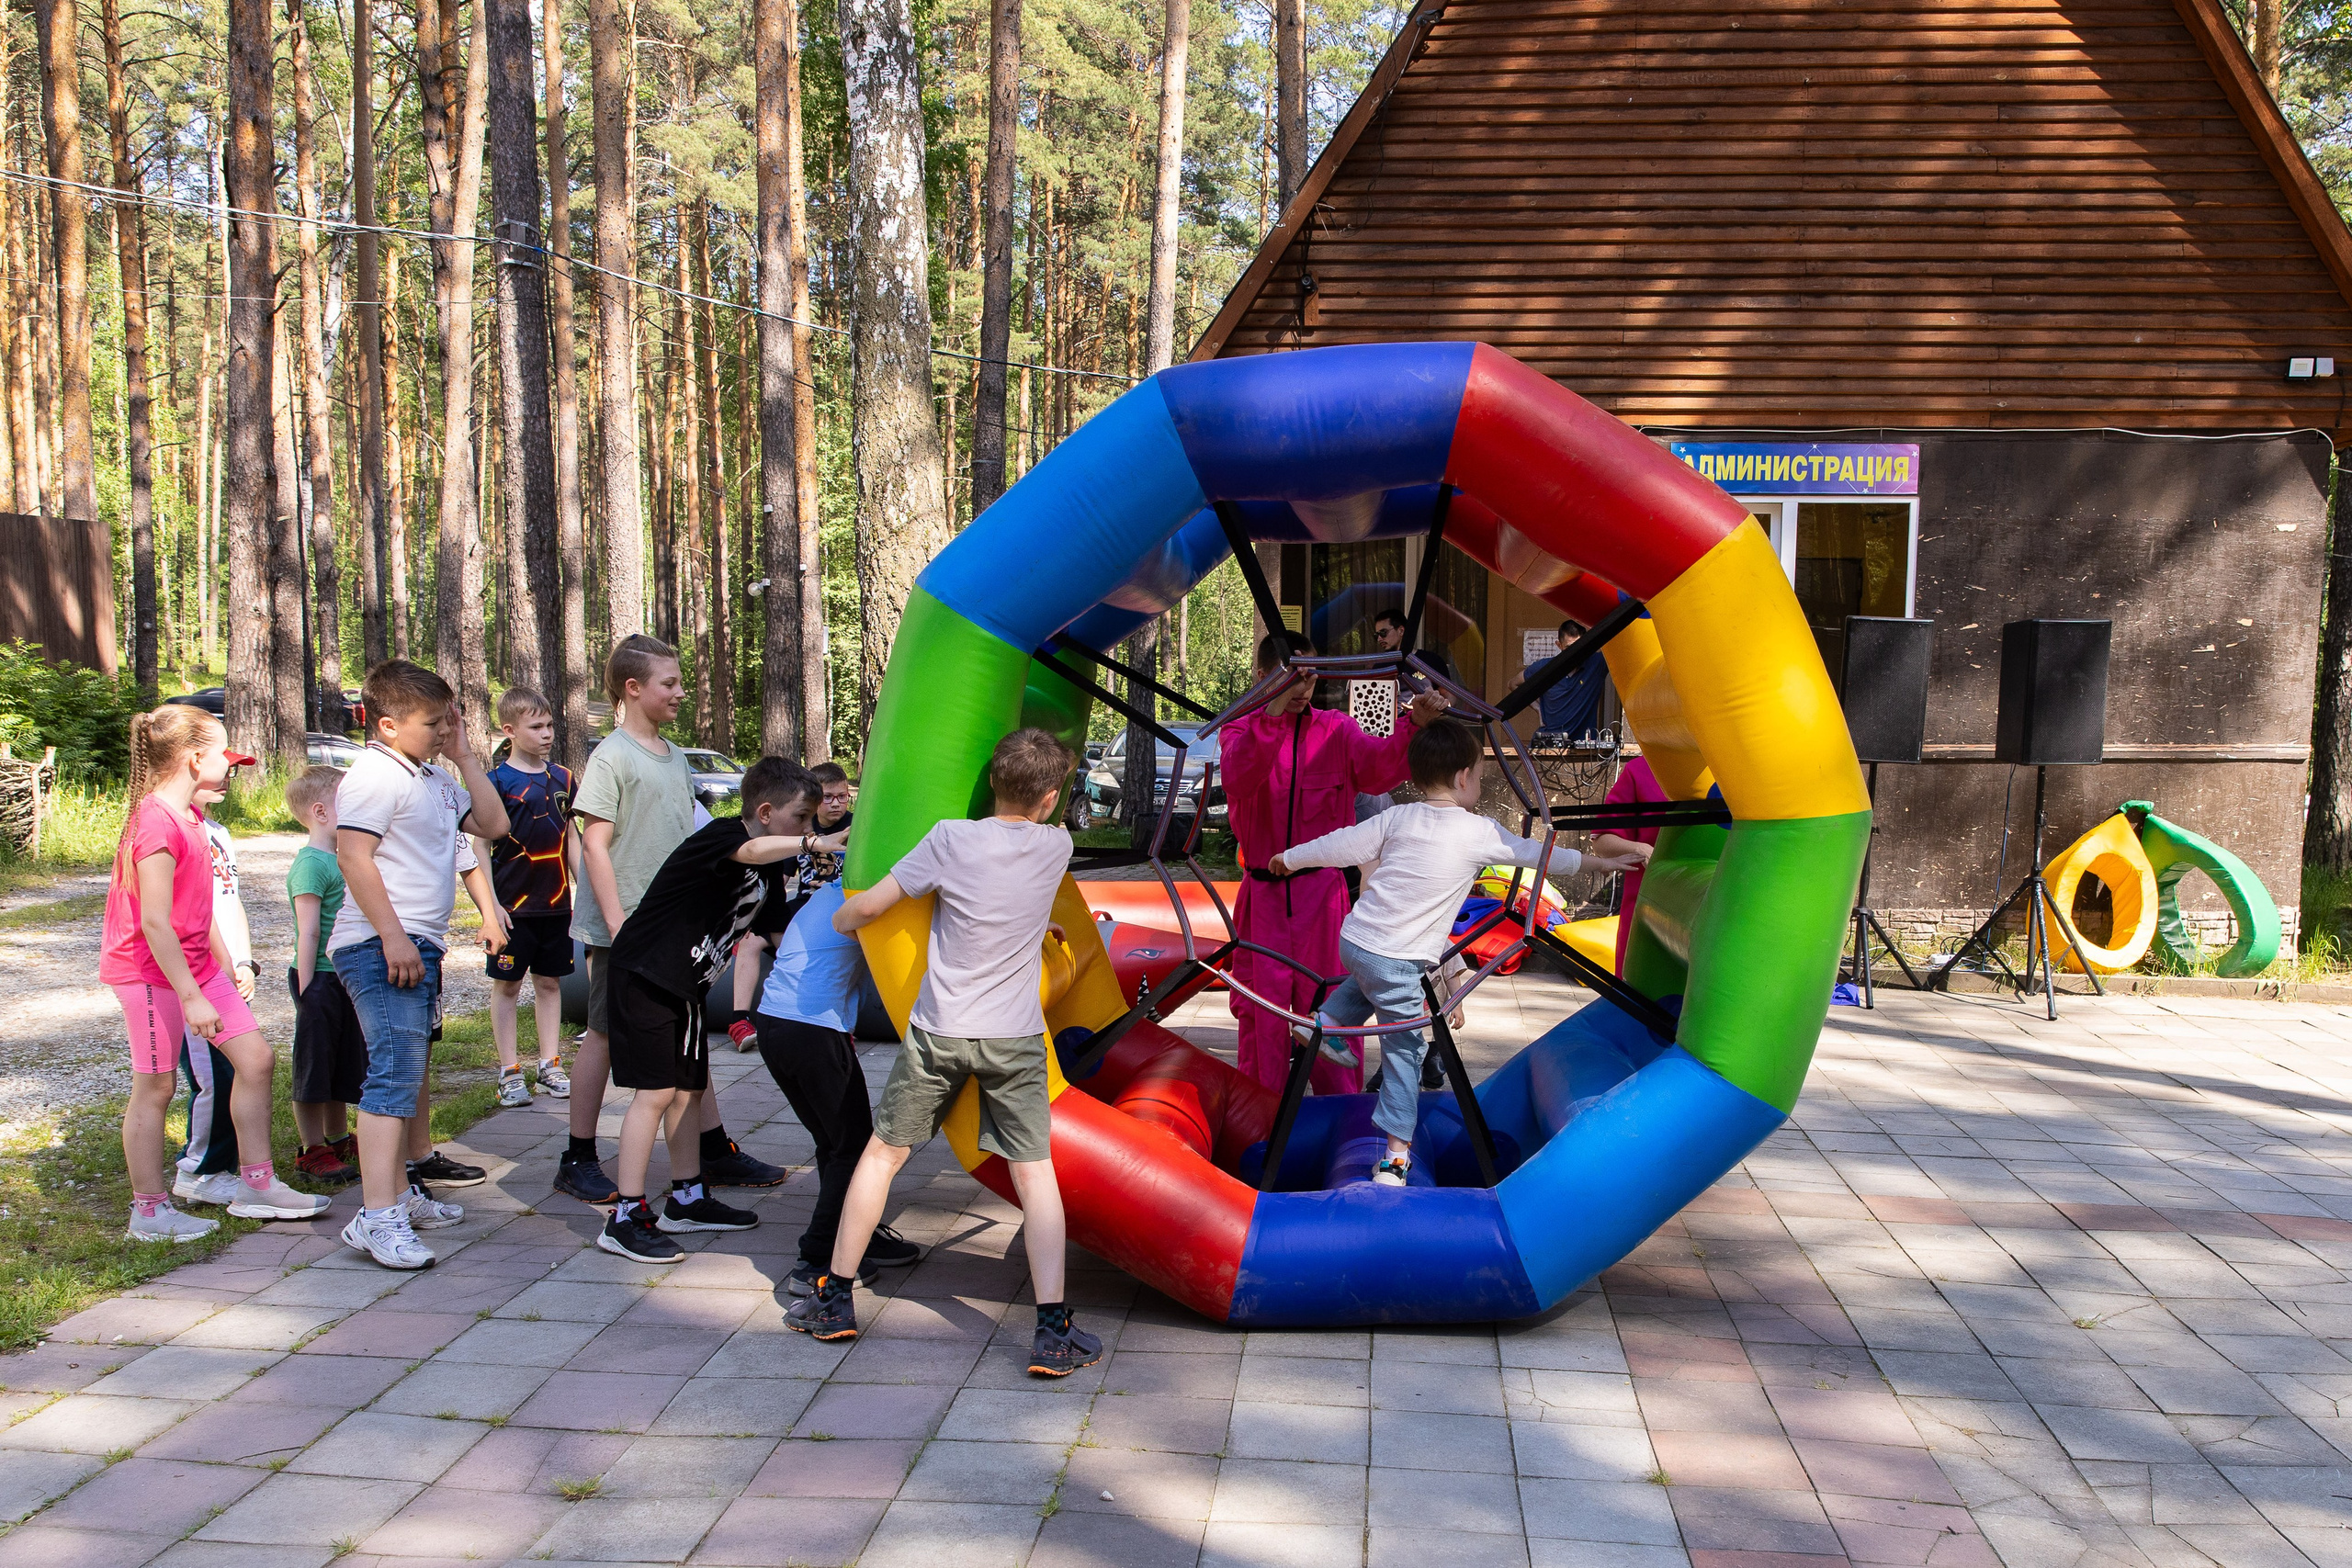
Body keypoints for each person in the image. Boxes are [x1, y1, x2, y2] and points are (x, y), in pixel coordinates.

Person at [790, 729, 1099, 1379]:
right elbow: (1011, 899)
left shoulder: (950, 838)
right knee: (1035, 1173)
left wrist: (844, 921)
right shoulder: (1057, 844)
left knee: (883, 1155)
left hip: (940, 1030)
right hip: (1013, 1037)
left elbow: (875, 903)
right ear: (1049, 798)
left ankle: (836, 1297)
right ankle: (1050, 1330)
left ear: (992, 782)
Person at [1272, 719, 1649, 1184]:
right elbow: (1543, 854)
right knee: (1406, 1048)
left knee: (1372, 975)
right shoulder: (1479, 832)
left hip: (1355, 942)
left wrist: (1289, 858)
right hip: (1394, 959)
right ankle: (1394, 1155)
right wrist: (1603, 861)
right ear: (1463, 778)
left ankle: (1326, 1022)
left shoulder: (1395, 817)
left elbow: (1339, 845)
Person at [560, 635, 786, 1202]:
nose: (681, 693)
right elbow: (594, 845)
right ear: (633, 689)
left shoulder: (675, 757)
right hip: (630, 933)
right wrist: (618, 924)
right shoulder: (611, 757)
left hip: (670, 931)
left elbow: (691, 842)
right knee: (606, 1035)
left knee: (687, 1043)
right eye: (670, 684)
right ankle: (578, 1155)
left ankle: (710, 1151)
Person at [596, 758, 848, 1264]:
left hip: (685, 985)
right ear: (764, 810)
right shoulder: (722, 835)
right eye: (800, 818)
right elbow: (752, 848)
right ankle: (625, 1216)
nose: (807, 827)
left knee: (689, 1091)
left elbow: (777, 931)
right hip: (645, 975)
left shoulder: (771, 868)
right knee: (657, 1093)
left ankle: (686, 1199)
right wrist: (814, 844)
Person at [101, 705, 327, 1241]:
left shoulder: (193, 817)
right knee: (155, 1087)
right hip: (149, 972)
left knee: (256, 1059)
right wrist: (192, 996)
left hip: (195, 964)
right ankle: (149, 1211)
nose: (231, 762)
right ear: (193, 757)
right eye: (224, 751)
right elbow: (155, 922)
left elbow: (197, 909)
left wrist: (223, 968)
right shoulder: (154, 820)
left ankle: (256, 1183)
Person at [332, 660, 512, 1269]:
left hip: (418, 942)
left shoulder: (431, 776)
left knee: (406, 1072)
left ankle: (400, 1195)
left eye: (447, 719)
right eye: (432, 721)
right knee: (390, 1076)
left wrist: (465, 756)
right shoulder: (374, 775)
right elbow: (355, 857)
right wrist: (392, 937)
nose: (443, 729)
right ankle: (376, 1216)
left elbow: (493, 824)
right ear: (387, 725)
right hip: (382, 943)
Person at [1222, 631, 1449, 1097]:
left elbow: (1382, 767)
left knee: (1333, 1021)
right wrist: (1271, 715)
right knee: (1261, 1021)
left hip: (1321, 901)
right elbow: (1240, 777)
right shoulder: (1239, 728)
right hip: (1261, 900)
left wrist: (1415, 726)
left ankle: (1342, 1128)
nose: (1305, 686)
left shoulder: (1337, 730)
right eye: (1294, 676)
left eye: (1312, 675)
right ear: (1263, 676)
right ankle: (1257, 1134)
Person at [748, 880, 921, 1295]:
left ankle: (856, 1233)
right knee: (854, 1147)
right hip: (810, 1028)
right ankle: (816, 1261)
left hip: (776, 1021)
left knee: (834, 1142)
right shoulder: (863, 895)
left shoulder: (839, 887)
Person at [169, 775, 266, 1206]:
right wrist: (217, 968)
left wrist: (243, 962)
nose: (228, 776)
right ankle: (200, 1171)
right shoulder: (174, 828)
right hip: (197, 974)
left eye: (234, 768)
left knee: (244, 1069)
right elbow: (183, 915)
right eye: (219, 766)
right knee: (215, 1075)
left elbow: (229, 901)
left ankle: (232, 1166)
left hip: (226, 971)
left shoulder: (219, 833)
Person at [482, 687, 579, 1107]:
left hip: (556, 905)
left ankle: (550, 1064)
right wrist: (490, 908)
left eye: (550, 725)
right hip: (511, 909)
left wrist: (587, 890)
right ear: (509, 731)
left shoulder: (564, 778)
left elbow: (572, 837)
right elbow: (479, 849)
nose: (546, 734)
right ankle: (508, 1071)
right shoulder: (495, 782)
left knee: (550, 983)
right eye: (536, 727)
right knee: (506, 986)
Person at [724, 761, 854, 1054]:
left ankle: (831, 1023)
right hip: (803, 906)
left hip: (842, 906)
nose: (836, 804)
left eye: (842, 796)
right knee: (749, 942)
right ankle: (740, 1020)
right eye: (828, 797)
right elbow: (776, 882)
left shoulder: (857, 827)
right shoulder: (801, 828)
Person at [286, 765, 366, 1184]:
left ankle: (337, 1138)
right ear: (320, 812)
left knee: (340, 1065)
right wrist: (306, 987)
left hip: (343, 978)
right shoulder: (312, 865)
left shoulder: (340, 858)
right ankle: (310, 1148)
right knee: (313, 1067)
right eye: (346, 805)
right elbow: (309, 929)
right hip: (317, 978)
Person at [1594, 753, 1668, 976]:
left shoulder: (1732, 767)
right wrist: (1639, 849)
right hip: (1647, 911)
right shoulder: (1642, 769)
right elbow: (1602, 840)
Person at [1523, 617, 1607, 745]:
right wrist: (1537, 708)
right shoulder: (1545, 667)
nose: (1575, 653)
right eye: (1569, 648)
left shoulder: (1596, 663)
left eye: (1580, 646)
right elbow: (1513, 684)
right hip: (1548, 746)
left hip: (1584, 748)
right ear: (1559, 645)